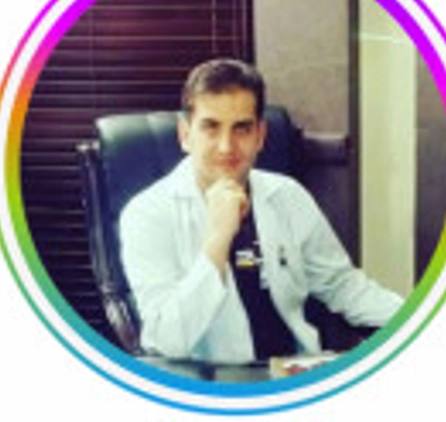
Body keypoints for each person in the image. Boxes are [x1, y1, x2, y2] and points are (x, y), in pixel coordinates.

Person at [120, 58, 403, 363]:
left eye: (242, 129)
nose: (226, 147)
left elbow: (343, 286)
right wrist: (219, 237)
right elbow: (167, 340)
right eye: (211, 128)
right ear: (185, 135)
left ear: (260, 136)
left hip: (297, 369)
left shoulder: (288, 195)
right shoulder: (146, 214)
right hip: (211, 381)